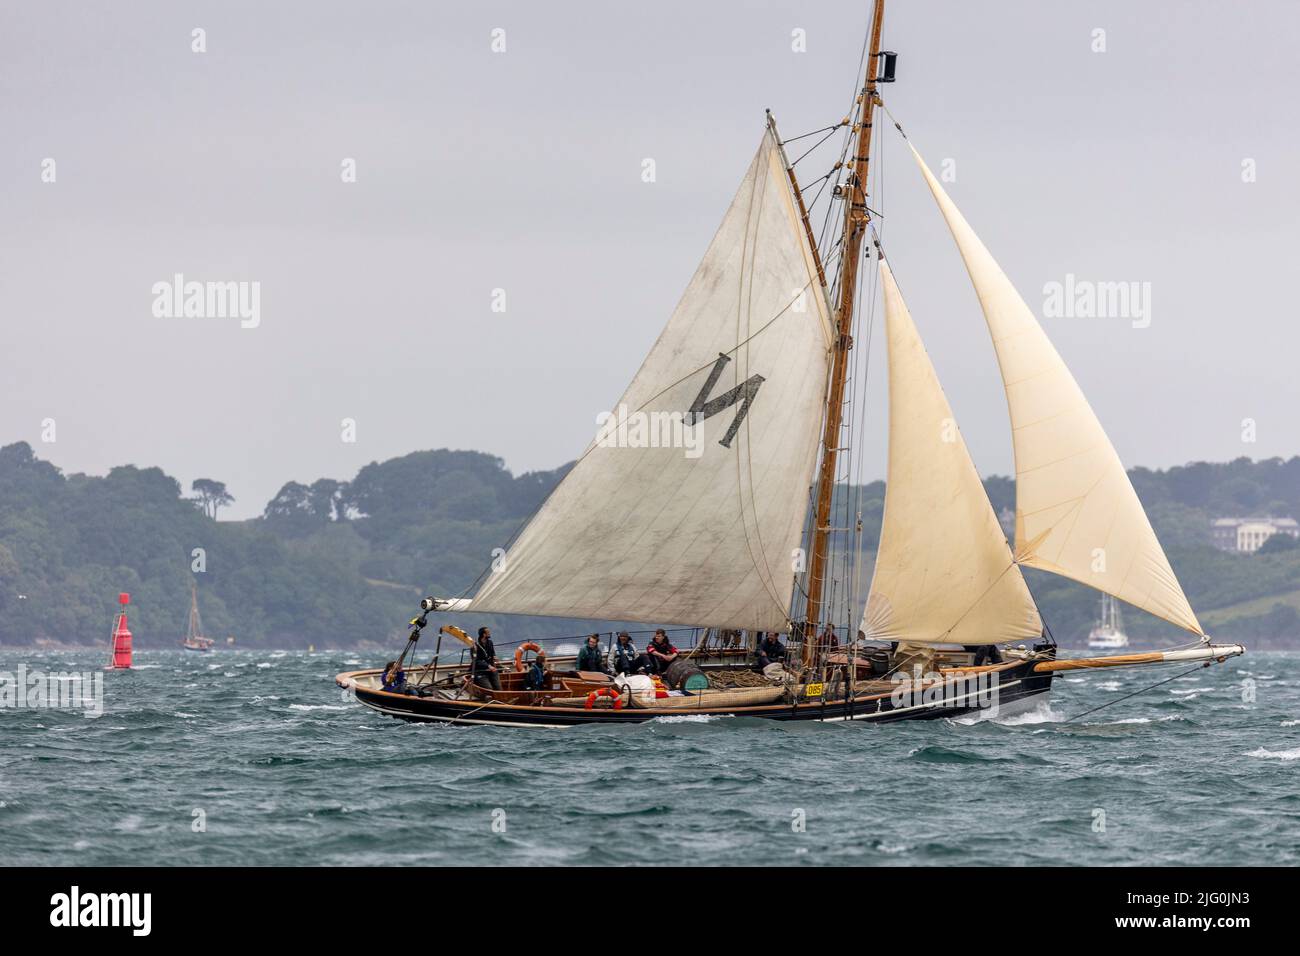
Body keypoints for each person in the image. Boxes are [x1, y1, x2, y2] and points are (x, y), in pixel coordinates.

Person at [471, 626, 501, 692]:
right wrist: (488, 666)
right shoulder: (475, 645)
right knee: (489, 689)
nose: (490, 633)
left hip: (490, 670)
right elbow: (476, 661)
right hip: (479, 671)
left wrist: (495, 657)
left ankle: (501, 699)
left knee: (498, 688)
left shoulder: (490, 643)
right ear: (484, 634)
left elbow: (493, 654)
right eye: (488, 632)